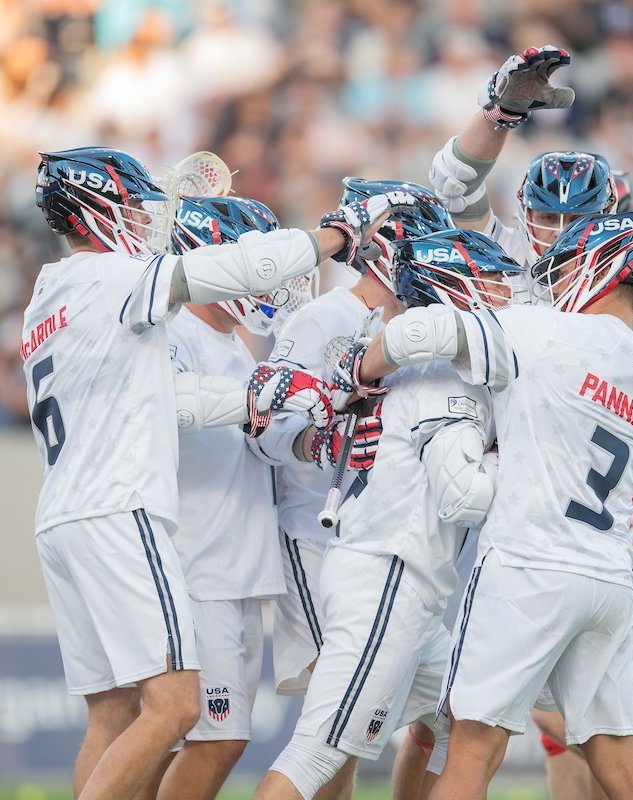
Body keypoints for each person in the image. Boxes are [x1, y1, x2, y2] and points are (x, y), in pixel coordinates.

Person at [24, 147, 409, 800]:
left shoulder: (50, 295)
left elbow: (167, 397)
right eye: (130, 206)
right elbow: (233, 287)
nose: (145, 221)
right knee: (177, 709)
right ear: (97, 209)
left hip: (68, 510)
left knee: (118, 713)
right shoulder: (112, 280)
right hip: (122, 509)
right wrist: (339, 234)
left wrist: (266, 397)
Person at [344, 211, 633, 800]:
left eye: (574, 264)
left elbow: (421, 334)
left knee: (471, 743)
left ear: (603, 266)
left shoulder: (539, 329)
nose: (557, 279)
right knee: (620, 757)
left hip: (528, 566)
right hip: (606, 580)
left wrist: (358, 371)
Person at [252, 229, 521, 800]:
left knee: (457, 721)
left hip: (396, 577)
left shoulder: (411, 370)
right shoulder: (447, 381)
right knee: (315, 754)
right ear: (455, 288)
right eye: (492, 282)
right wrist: (510, 463)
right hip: (390, 576)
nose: (503, 296)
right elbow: (464, 497)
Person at [247, 177, 454, 800]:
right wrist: (319, 439)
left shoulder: (420, 321)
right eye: (424, 234)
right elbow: (262, 429)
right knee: (329, 740)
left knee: (444, 715)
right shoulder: (323, 318)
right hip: (320, 535)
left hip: (386, 539)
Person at [156, 195, 318, 800]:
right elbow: (170, 411)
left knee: (215, 738)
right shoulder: (173, 332)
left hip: (238, 565)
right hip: (199, 563)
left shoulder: (232, 343)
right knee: (212, 738)